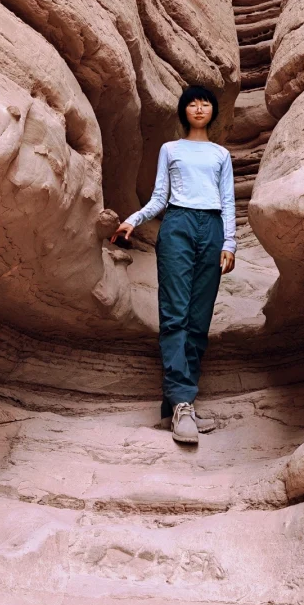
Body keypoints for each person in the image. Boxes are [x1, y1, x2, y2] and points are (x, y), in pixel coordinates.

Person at [112, 84, 236, 445]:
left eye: (206, 104)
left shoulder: (220, 155)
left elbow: (228, 200)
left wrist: (229, 242)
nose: (199, 108)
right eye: (193, 104)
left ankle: (180, 405)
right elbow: (159, 197)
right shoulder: (171, 149)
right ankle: (181, 403)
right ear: (184, 111)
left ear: (213, 112)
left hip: (212, 227)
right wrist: (133, 219)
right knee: (175, 315)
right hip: (179, 224)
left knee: (198, 320)